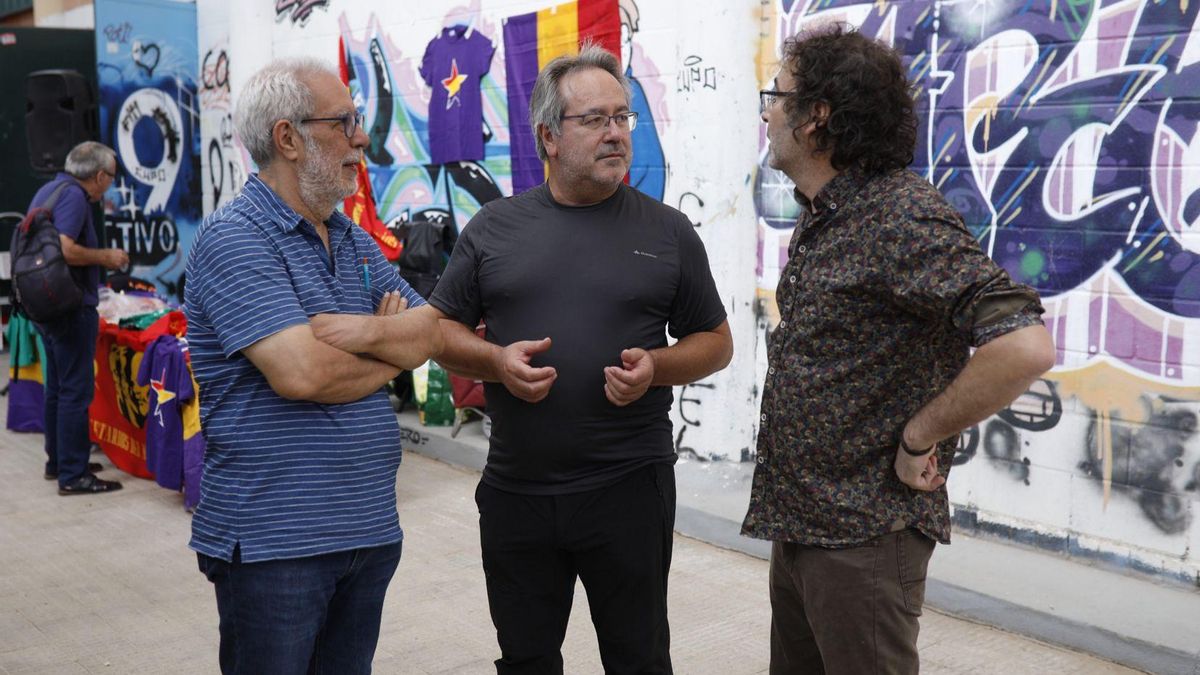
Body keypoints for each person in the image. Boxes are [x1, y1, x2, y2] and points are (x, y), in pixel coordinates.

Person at [743, 24, 1056, 674]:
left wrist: (921, 434)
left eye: (778, 94)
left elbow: (1024, 344)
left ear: (815, 119)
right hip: (803, 524)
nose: (768, 108)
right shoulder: (828, 213)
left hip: (863, 536)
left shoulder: (898, 218)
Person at [424, 45, 733, 673]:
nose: (615, 133)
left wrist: (657, 367)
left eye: (622, 118)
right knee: (527, 658)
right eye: (594, 119)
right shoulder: (492, 229)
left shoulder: (668, 232)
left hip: (629, 490)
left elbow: (716, 342)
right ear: (548, 137)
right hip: (518, 491)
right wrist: (495, 362)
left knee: (639, 657)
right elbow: (438, 330)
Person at [184, 58, 442, 674]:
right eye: (345, 121)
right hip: (277, 548)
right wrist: (393, 350)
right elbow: (302, 375)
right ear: (288, 138)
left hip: (369, 530)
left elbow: (430, 327)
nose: (360, 137)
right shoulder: (234, 238)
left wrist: (368, 335)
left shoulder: (350, 239)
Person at [27, 141, 129, 494]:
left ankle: (59, 462)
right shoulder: (73, 197)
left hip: (47, 306)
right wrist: (106, 257)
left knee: (57, 387)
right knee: (75, 391)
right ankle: (73, 475)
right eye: (111, 178)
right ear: (99, 176)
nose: (110, 185)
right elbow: (66, 248)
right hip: (70, 307)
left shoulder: (48, 188)